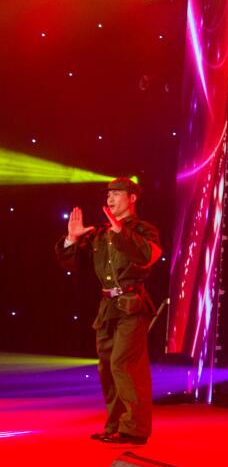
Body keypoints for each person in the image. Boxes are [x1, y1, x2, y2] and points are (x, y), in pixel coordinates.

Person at [56, 178, 161, 445]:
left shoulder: (143, 229)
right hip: (108, 307)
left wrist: (120, 231)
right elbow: (73, 265)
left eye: (116, 194)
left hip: (132, 305)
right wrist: (72, 239)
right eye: (108, 194)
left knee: (123, 364)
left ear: (132, 198)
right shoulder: (100, 234)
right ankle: (116, 426)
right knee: (107, 366)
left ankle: (135, 428)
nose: (110, 199)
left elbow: (147, 256)